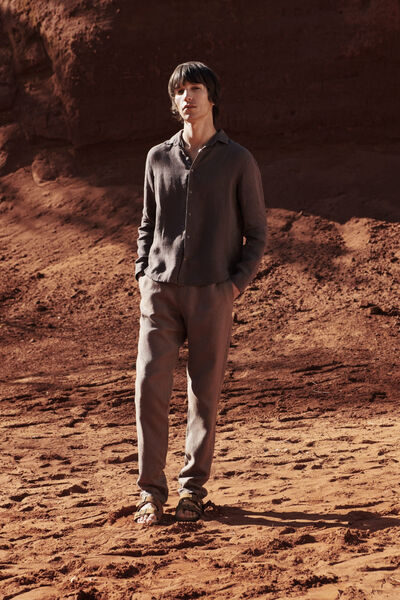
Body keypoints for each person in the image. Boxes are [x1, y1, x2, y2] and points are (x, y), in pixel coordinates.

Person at [134, 61, 266, 525]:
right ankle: (150, 492)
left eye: (194, 89)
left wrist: (234, 286)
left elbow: (257, 233)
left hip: (213, 294)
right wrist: (142, 273)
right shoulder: (157, 157)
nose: (186, 98)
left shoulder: (238, 160)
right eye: (179, 91)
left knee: (202, 395)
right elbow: (147, 223)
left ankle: (192, 491)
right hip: (161, 291)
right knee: (149, 388)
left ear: (212, 98)